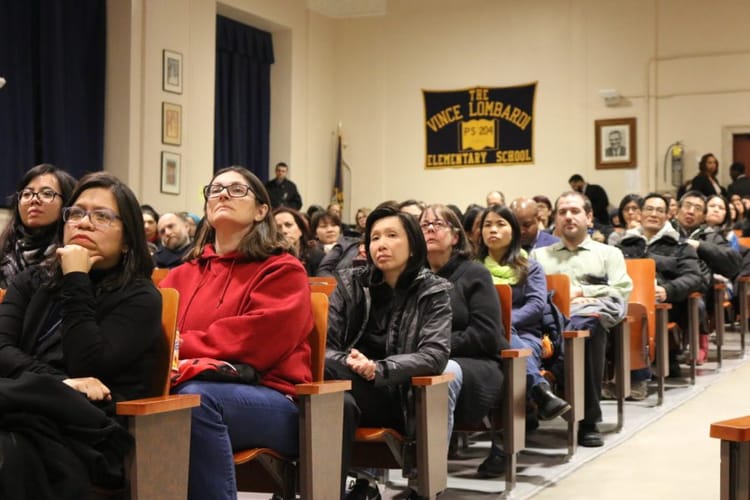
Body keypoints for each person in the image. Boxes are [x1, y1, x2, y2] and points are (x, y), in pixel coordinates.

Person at [0, 172, 163, 497]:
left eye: (102, 216)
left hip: (85, 431)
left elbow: (87, 365)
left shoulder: (141, 297)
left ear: (129, 237)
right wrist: (56, 383)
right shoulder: (32, 280)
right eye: (76, 213)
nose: (84, 223)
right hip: (22, 406)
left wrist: (77, 277)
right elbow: (1, 348)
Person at [162, 166, 313, 500]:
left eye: (236, 190)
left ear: (262, 211)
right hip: (188, 383)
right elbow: (153, 333)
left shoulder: (282, 269)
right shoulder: (180, 275)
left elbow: (255, 342)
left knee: (194, 400)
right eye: (215, 189)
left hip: (273, 398)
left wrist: (181, 345)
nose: (223, 194)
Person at [325, 203, 451, 499]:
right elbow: (325, 349)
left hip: (397, 396)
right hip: (343, 382)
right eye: (375, 237)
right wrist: (351, 362)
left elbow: (434, 355)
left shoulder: (434, 291)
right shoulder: (349, 283)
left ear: (412, 245)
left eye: (391, 235)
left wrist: (379, 368)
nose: (380, 244)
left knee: (324, 391)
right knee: (336, 402)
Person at [531, 191, 632, 447]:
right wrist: (564, 299)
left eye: (574, 211)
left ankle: (586, 421)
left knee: (587, 325)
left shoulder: (609, 253)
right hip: (550, 326)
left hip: (593, 325)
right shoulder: (538, 256)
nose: (568, 216)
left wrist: (581, 292)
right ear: (555, 218)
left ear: (589, 217)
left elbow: (620, 291)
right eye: (562, 211)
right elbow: (534, 296)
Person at [476, 204, 570, 475]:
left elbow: (536, 305)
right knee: (502, 356)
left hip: (525, 336)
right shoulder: (472, 268)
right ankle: (539, 390)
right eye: (487, 225)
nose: (493, 230)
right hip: (481, 337)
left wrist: (503, 323)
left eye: (500, 224)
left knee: (510, 362)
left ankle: (500, 450)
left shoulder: (530, 267)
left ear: (513, 231)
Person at [419, 204, 508, 458]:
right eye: (424, 225)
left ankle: (427, 477)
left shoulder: (474, 273)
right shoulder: (413, 277)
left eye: (438, 224)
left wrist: (435, 347)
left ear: (456, 237)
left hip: (474, 362)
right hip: (425, 358)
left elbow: (486, 334)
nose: (430, 230)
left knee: (442, 373)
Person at [617, 193, 706, 378]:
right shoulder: (623, 246)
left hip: (665, 306)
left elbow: (693, 277)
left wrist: (668, 290)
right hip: (627, 303)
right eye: (649, 209)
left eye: (660, 210)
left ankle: (640, 372)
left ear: (668, 216)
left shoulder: (680, 246)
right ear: (639, 214)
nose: (653, 214)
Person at [0, 164, 76, 288]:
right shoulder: (4, 251)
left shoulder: (74, 258)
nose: (34, 199)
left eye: (46, 193)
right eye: (26, 194)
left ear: (67, 203)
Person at [273, 206, 325, 275]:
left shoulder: (317, 256)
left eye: (288, 225)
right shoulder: (268, 258)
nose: (284, 231)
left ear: (300, 230)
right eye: (278, 227)